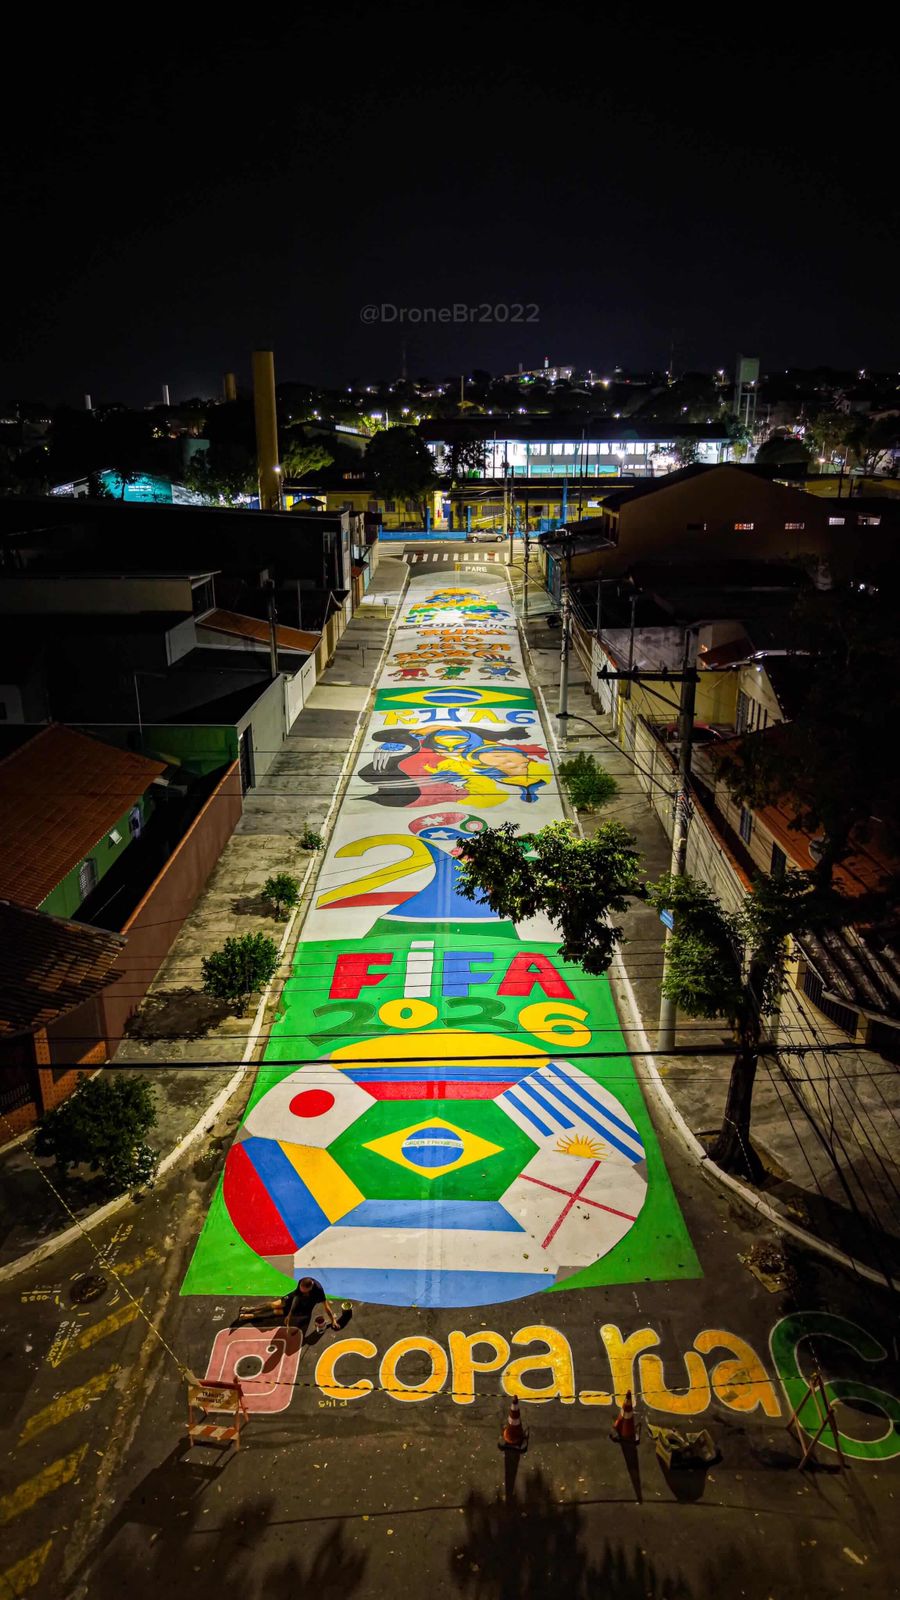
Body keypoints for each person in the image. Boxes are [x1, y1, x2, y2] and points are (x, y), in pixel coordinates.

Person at [281, 1277, 340, 1343]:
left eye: (305, 1292)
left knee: (303, 1315)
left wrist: (333, 1320)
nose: (303, 1293)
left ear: (311, 1287)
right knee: (281, 1301)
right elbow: (296, 1297)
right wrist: (289, 1315)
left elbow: (326, 1306)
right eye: (302, 1291)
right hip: (301, 1298)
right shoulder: (301, 1282)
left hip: (310, 1300)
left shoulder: (318, 1289)